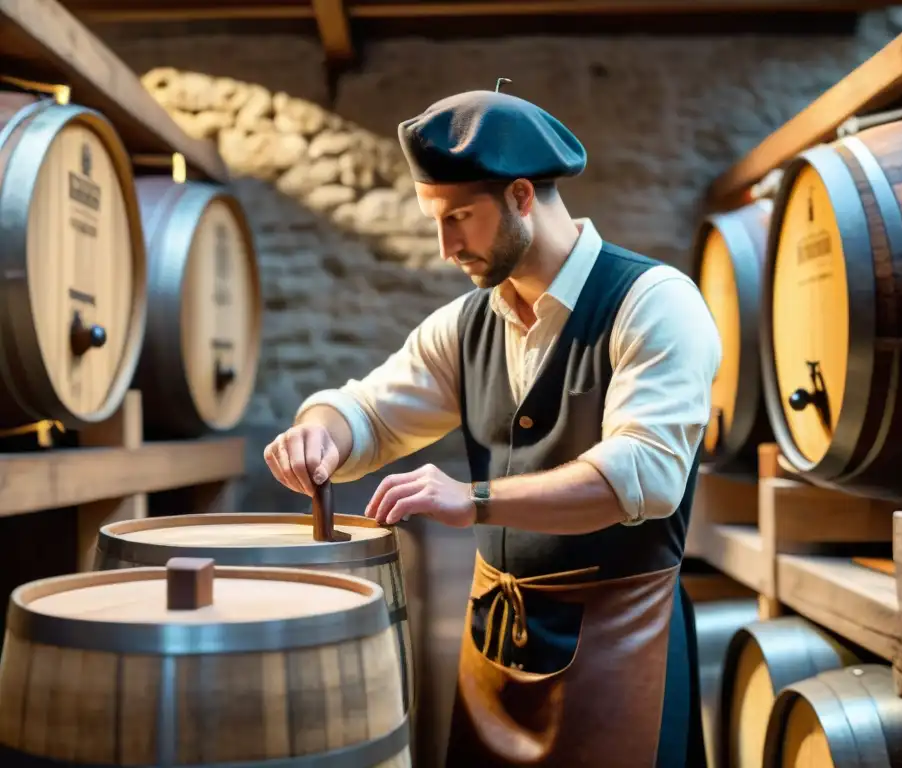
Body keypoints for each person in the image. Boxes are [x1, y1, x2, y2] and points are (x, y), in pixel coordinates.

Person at [264, 82, 721, 767]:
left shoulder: (654, 303)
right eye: (436, 220)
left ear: (521, 198)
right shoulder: (468, 324)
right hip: (494, 651)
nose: (447, 246)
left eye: (460, 217)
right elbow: (370, 410)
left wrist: (472, 499)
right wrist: (320, 430)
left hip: (622, 649)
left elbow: (644, 476)